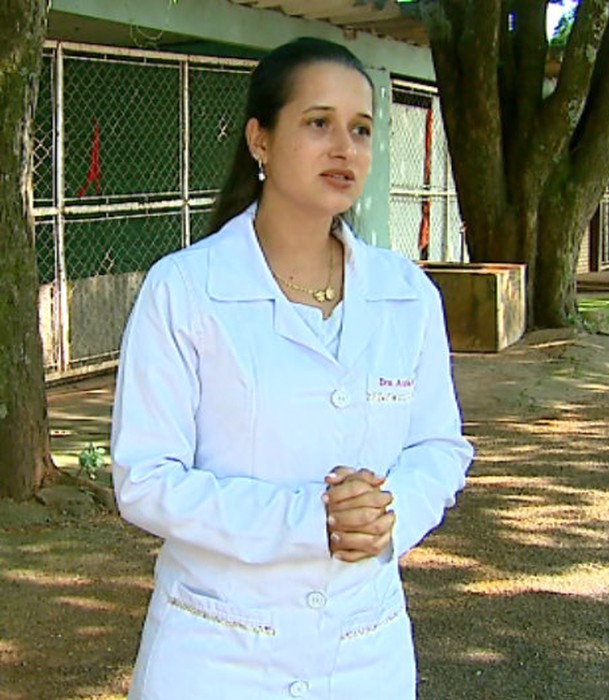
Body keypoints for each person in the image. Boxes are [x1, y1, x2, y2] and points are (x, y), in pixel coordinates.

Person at [110, 37, 473, 699]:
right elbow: (145, 479)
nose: (344, 148)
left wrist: (388, 513)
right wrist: (312, 521)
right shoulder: (186, 289)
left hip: (364, 650)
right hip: (218, 652)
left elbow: (439, 446)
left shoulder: (406, 294)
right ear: (260, 140)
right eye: (318, 123)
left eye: (360, 130)